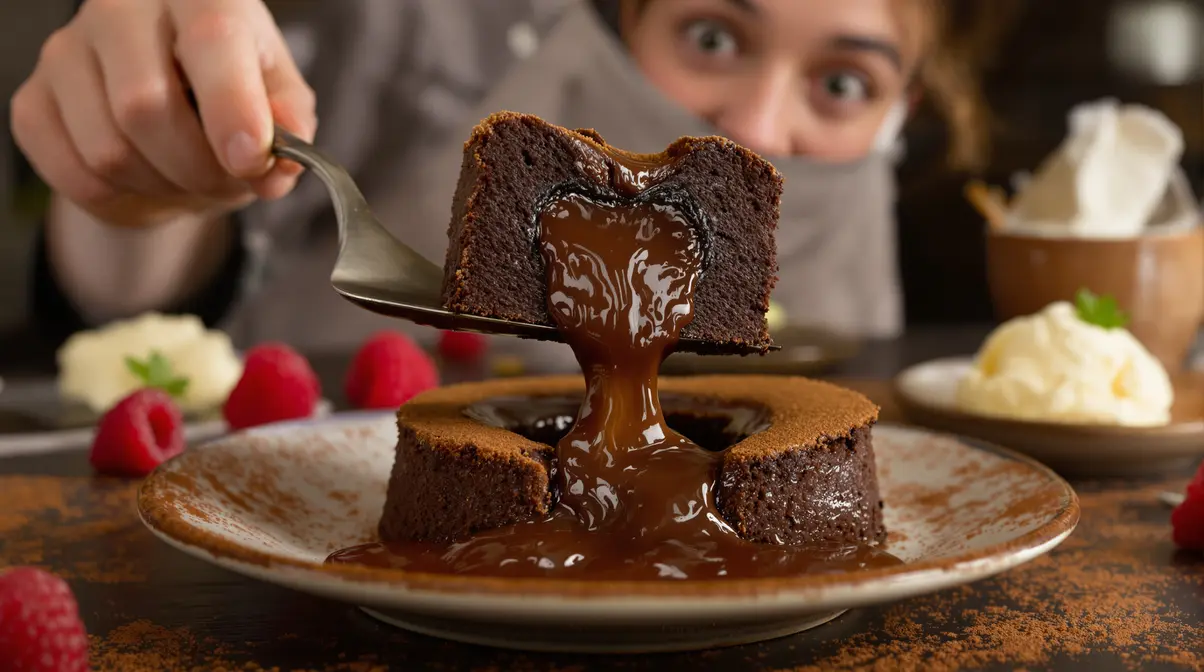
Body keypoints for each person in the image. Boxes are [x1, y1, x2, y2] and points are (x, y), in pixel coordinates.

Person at [10, 0, 998, 369]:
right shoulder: (423, 28)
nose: (755, 125)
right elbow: (124, 317)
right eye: (710, 37)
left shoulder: (857, 212)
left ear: (901, 112)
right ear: (626, 19)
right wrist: (134, 197)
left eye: (840, 83)